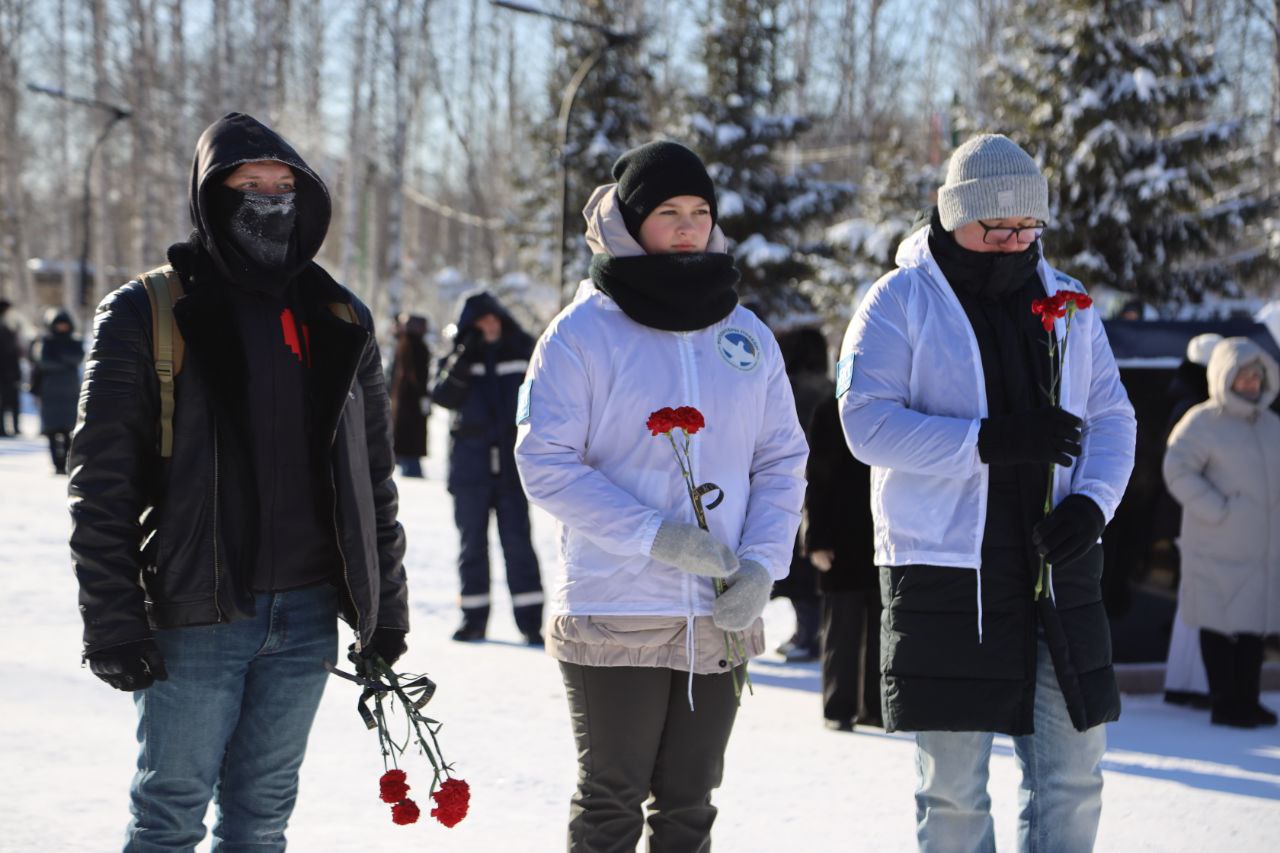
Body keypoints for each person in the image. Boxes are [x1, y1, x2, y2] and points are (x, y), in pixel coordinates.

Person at [67, 112, 409, 851]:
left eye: (284, 184)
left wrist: (386, 607)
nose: (269, 197)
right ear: (209, 195)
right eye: (248, 184)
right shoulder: (147, 310)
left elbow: (371, 479)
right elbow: (101, 485)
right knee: (168, 817)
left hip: (310, 616)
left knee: (262, 822)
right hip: (198, 615)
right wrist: (112, 619)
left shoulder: (337, 313)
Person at [838, 133, 1136, 851]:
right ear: (951, 218)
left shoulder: (1069, 302)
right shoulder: (900, 301)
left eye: (1025, 229)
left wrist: (1093, 502)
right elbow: (863, 422)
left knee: (1073, 775)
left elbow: (1113, 415)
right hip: (945, 573)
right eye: (993, 229)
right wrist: (984, 442)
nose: (1011, 244)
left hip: (1057, 572)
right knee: (952, 789)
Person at [515, 140, 808, 852]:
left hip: (719, 610)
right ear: (629, 222)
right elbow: (544, 461)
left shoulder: (746, 335)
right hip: (617, 607)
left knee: (689, 805)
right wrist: (657, 536)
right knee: (612, 799)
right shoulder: (582, 333)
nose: (687, 226)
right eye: (668, 212)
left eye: (700, 211)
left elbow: (781, 458)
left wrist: (764, 565)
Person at [1163, 337, 1280, 729]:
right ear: (1224, 375)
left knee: (1253, 627)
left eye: (1256, 376)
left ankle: (1247, 699)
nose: (1251, 382)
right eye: (1244, 375)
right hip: (1216, 543)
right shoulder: (1202, 421)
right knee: (1217, 623)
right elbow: (1176, 469)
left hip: (1261, 549)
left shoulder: (1270, 424)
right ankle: (1224, 702)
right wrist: (1218, 510)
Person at [432, 289, 544, 644]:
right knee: (472, 547)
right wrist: (465, 357)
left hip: (512, 469)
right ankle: (473, 619)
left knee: (518, 544)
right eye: (482, 321)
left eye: (494, 318)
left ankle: (531, 624)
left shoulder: (523, 352)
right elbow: (443, 396)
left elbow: (540, 397)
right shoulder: (458, 358)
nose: (490, 326)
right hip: (470, 470)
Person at [804, 393, 881, 731]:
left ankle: (877, 707)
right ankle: (839, 707)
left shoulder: (896, 402)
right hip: (841, 536)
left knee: (885, 627)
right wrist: (816, 539)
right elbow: (816, 479)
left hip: (887, 532)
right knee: (842, 626)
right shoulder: (832, 408)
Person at [1159, 332, 1220, 709]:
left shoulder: (1184, 399)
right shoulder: (1194, 406)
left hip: (1193, 515)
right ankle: (1190, 682)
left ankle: (1190, 681)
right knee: (1198, 601)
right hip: (1196, 517)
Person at [773, 326, 830, 662]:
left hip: (795, 487)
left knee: (797, 571)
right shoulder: (833, 389)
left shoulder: (788, 390)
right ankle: (812, 632)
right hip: (829, 489)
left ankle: (807, 634)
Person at [29, 307, 83, 472]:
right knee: (52, 431)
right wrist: (64, 362)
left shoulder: (75, 341)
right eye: (58, 324)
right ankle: (57, 464)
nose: (61, 327)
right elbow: (43, 362)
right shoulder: (45, 341)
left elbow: (77, 358)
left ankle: (67, 462)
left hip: (69, 393)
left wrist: (58, 358)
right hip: (50, 392)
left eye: (64, 324)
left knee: (69, 431)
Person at [390, 313, 432, 477]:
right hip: (410, 404)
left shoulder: (407, 345)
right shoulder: (414, 346)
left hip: (406, 404)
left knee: (407, 445)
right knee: (410, 446)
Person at [0, 298, 22, 436]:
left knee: (11, 400)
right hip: (6, 370)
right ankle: (4, 428)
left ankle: (12, 427)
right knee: (6, 401)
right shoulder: (5, 327)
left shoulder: (8, 325)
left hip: (10, 369)